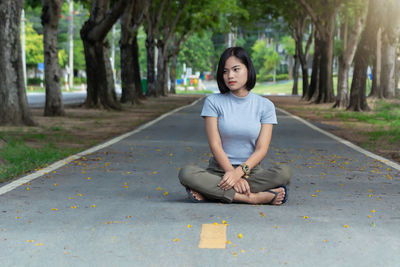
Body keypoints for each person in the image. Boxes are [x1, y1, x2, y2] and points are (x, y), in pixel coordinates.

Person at [178, 47, 292, 205]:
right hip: (219, 171)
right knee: (186, 173)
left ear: (248, 69)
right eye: (225, 71)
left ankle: (210, 192)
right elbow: (215, 145)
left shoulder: (265, 106)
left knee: (284, 173)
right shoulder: (213, 102)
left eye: (236, 69)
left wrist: (238, 174)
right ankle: (252, 198)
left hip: (251, 171)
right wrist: (230, 173)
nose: (230, 75)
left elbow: (261, 149)